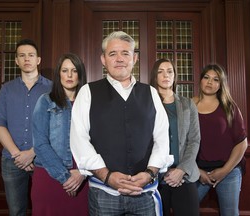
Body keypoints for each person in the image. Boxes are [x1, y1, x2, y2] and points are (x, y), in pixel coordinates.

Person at [70, 31, 173, 216]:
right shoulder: (88, 92)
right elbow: (79, 141)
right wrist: (107, 176)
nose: (119, 59)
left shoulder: (150, 93)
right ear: (103, 59)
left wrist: (149, 173)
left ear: (134, 58)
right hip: (104, 194)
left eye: (125, 53)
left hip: (144, 192)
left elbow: (162, 139)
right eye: (112, 54)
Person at [0, 39, 52, 216]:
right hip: (12, 160)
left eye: (31, 55)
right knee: (16, 211)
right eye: (22, 56)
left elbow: (56, 126)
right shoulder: (7, 89)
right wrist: (18, 155)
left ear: (38, 60)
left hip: (44, 159)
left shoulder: (52, 88)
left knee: (45, 209)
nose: (27, 59)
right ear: (16, 61)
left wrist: (32, 153)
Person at [30, 53, 89, 215]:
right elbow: (40, 144)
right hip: (50, 174)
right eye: (65, 70)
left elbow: (98, 141)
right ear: (59, 74)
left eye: (74, 70)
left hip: (82, 175)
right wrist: (65, 177)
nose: (69, 75)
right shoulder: (45, 101)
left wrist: (83, 173)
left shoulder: (90, 103)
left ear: (80, 74)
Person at [193, 64, 248, 216]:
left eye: (215, 79)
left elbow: (241, 142)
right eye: (206, 77)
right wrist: (198, 171)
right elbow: (181, 143)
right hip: (197, 170)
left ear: (221, 84)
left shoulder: (229, 106)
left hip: (228, 170)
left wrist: (224, 171)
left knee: (230, 213)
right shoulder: (189, 105)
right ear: (200, 80)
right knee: (186, 209)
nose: (210, 82)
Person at [149, 59, 200, 216]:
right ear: (154, 76)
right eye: (161, 71)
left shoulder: (187, 104)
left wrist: (181, 169)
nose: (166, 75)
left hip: (184, 175)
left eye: (170, 71)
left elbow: (194, 140)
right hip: (155, 176)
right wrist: (160, 171)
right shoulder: (147, 103)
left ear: (174, 75)